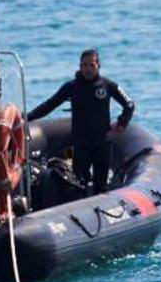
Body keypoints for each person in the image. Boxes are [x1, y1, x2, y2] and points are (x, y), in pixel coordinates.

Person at [27, 49, 134, 194]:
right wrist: (28, 117)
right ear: (79, 66)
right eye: (85, 65)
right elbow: (49, 105)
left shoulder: (108, 85)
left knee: (101, 186)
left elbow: (129, 104)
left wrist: (121, 124)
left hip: (102, 142)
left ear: (98, 66)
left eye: (92, 65)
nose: (88, 69)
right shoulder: (71, 87)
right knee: (78, 184)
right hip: (81, 143)